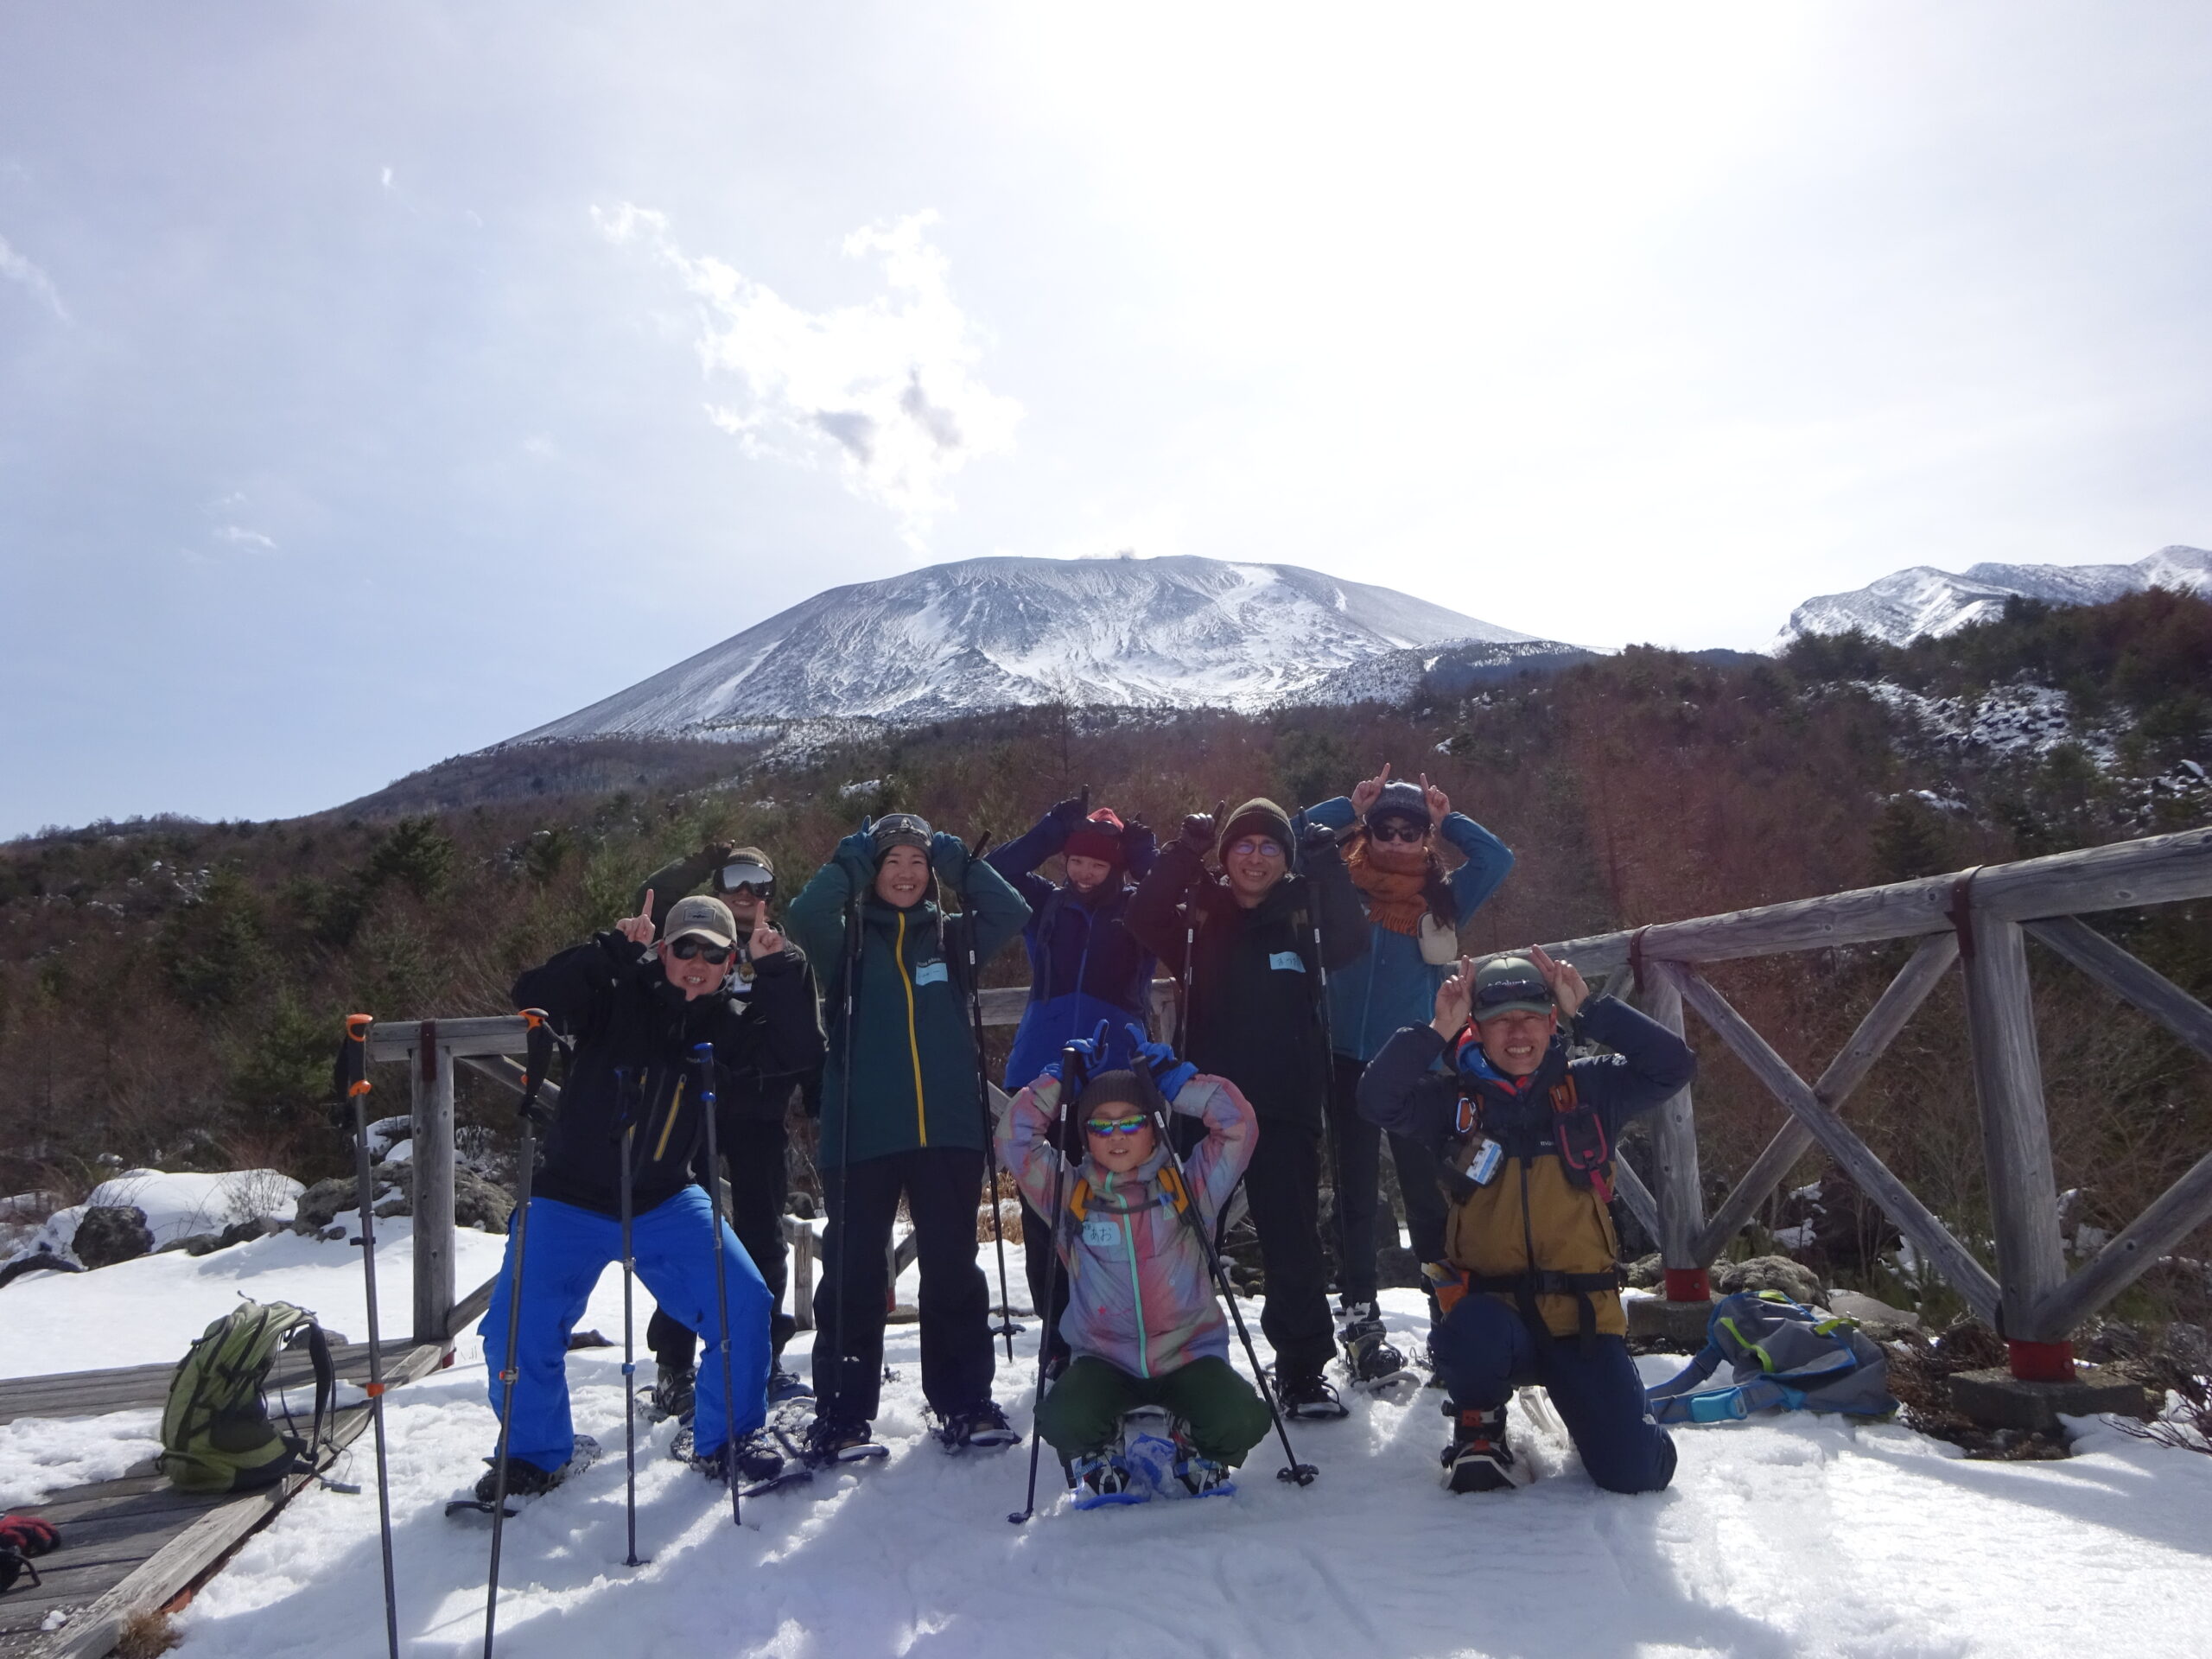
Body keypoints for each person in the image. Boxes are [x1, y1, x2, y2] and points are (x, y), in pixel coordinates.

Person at [484, 892, 823, 1496]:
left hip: (666, 1198)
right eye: (685, 947)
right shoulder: (613, 994)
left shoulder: (729, 1024)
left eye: (713, 953)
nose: (697, 962)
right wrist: (608, 951)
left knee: (745, 1302)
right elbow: (534, 994)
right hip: (566, 1198)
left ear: (730, 963)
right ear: (663, 950)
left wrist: (780, 969)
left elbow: (799, 1052)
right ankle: (533, 1454)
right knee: (518, 1326)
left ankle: (728, 1438)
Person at [1357, 949, 1694, 1495]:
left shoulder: (1591, 1088)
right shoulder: (1452, 1102)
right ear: (1476, 1028)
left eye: (1531, 1017)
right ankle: (1481, 1428)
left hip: (1582, 1323)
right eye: (1500, 1020)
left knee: (1636, 1472)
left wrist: (1593, 1010)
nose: (1518, 1033)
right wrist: (1436, 1031)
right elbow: (1375, 1099)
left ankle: (1611, 1417)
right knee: (1468, 1330)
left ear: (1552, 1020)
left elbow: (1674, 1065)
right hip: (1492, 1321)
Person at [784, 811, 1033, 1459]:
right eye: (892, 861)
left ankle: (965, 1402)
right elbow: (804, 913)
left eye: (916, 862)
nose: (905, 873)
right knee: (853, 1274)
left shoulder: (952, 940)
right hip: (860, 1132)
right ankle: (841, 1414)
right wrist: (854, 856)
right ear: (872, 871)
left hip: (949, 1130)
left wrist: (948, 850)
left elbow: (1010, 909)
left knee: (953, 1270)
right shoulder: (846, 942)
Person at [1128, 797, 1363, 1419]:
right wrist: (1185, 853)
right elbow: (1142, 913)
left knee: (1293, 1241)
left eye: (1269, 847)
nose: (1256, 858)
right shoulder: (1200, 916)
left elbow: (1350, 941)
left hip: (1284, 1103)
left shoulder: (1305, 914)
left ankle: (1302, 1372)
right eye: (1243, 846)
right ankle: (1176, 1365)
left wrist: (1329, 865)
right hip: (1205, 1106)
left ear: (1285, 859)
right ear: (1227, 854)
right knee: (1182, 1238)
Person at [1293, 767, 1514, 1386]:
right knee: (1356, 1197)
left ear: (1425, 838)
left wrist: (1449, 819)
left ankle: (1449, 1324)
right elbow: (1287, 837)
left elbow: (1497, 859)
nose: (1395, 840)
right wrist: (1346, 807)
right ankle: (1362, 1328)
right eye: (1383, 829)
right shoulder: (1337, 883)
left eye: (1410, 831)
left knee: (1428, 1198)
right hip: (1343, 1060)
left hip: (1419, 1065)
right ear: (1367, 831)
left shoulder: (1444, 898)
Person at [999, 1042, 1272, 1503]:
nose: (1116, 1135)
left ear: (1154, 1127)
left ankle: (1192, 1439)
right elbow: (1015, 1139)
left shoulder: (1190, 1188)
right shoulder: (1069, 1196)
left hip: (1188, 1357)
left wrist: (1178, 1083)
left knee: (1241, 1418)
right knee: (1062, 1417)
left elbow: (1237, 1125)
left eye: (1131, 1121)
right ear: (1086, 1136)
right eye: (1100, 1125)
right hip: (1103, 1361)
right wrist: (1057, 1084)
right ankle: (1102, 1446)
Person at [632, 846, 821, 1414]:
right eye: (734, 878)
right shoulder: (690, 940)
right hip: (684, 1112)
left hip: (758, 1113)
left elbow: (806, 1033)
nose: (745, 892)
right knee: (683, 1240)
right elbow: (653, 904)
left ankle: (762, 1359)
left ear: (772, 894)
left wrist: (817, 1098)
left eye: (758, 882)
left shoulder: (785, 953)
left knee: (763, 1240)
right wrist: (699, 858)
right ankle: (674, 1366)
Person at [985, 795, 1160, 1376]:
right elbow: (992, 876)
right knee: (1045, 1211)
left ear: (1116, 867)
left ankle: (1119, 1329)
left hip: (1116, 1075)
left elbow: (1176, 899)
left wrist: (1145, 857)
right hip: (1042, 1070)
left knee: (1120, 1206)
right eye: (1076, 859)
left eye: (1099, 863)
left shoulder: (1139, 909)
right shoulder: (1045, 905)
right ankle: (1059, 1340)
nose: (1085, 872)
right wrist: (1048, 831)